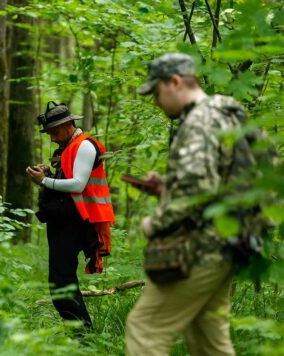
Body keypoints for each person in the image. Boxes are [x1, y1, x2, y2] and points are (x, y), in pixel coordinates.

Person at [125, 53, 243, 355]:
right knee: (209, 341)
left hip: (200, 247)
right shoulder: (224, 113)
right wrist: (167, 188)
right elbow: (217, 183)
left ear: (175, 82)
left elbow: (197, 188)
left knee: (145, 330)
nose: (156, 101)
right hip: (229, 242)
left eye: (156, 92)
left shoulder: (198, 121)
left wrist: (156, 223)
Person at [26, 101, 115, 331]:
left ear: (68, 125)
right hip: (64, 220)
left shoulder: (85, 146)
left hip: (79, 220)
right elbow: (66, 180)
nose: (52, 137)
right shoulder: (67, 146)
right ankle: (80, 333)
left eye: (54, 131)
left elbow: (78, 184)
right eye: (49, 133)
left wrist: (43, 181)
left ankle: (82, 334)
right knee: (60, 279)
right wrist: (47, 173)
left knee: (61, 280)